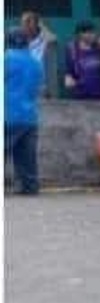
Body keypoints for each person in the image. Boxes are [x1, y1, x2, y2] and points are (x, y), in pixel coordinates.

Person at [5, 29, 43, 195]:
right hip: (29, 116)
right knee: (26, 157)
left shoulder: (5, 59)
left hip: (7, 113)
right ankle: (29, 187)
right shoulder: (36, 62)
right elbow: (38, 89)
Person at [63, 21, 100, 101]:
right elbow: (69, 72)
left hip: (99, 94)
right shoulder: (72, 49)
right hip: (80, 95)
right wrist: (70, 80)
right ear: (80, 34)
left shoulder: (99, 48)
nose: (92, 35)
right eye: (88, 33)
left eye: (93, 32)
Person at [20, 11, 57, 98]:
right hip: (23, 86)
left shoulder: (43, 39)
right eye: (24, 23)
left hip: (41, 86)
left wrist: (41, 25)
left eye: (29, 22)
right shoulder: (19, 40)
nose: (26, 26)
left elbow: (53, 39)